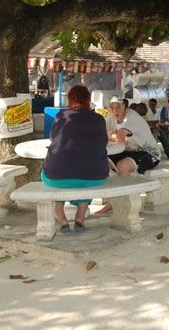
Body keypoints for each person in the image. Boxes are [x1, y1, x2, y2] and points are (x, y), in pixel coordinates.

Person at [41, 85, 109, 232]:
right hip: (95, 176)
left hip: (56, 177)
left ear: (70, 100)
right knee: (86, 171)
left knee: (53, 176)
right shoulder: (99, 119)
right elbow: (103, 142)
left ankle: (62, 220)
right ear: (89, 100)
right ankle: (80, 218)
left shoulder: (61, 116)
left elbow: (53, 138)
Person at [95, 95, 161, 214]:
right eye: (112, 108)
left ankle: (129, 203)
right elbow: (97, 134)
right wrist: (111, 135)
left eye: (118, 107)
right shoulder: (110, 118)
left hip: (150, 154)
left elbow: (118, 137)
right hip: (129, 152)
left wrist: (110, 134)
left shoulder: (131, 117)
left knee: (122, 166)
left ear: (124, 106)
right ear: (108, 109)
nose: (115, 111)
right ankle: (113, 201)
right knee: (102, 163)